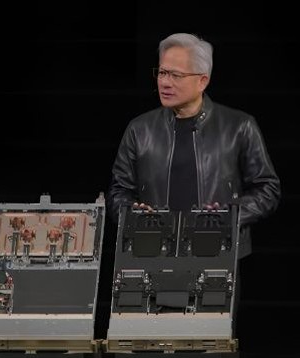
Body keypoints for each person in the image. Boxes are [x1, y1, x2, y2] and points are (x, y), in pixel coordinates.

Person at [107, 32, 280, 258]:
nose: (165, 82)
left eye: (176, 75)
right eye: (162, 73)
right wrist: (133, 213)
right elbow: (119, 191)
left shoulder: (239, 126)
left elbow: (267, 189)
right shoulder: (139, 129)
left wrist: (228, 216)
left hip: (217, 253)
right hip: (152, 253)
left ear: (202, 81)